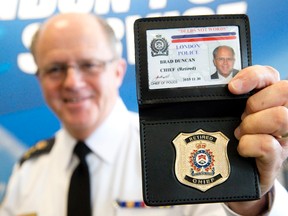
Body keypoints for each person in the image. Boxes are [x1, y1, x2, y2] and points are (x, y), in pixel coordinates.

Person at [0, 12, 288, 216]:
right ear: (39, 79)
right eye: (55, 69)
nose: (72, 82)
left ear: (118, 71)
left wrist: (250, 203)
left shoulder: (175, 146)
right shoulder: (28, 172)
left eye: (89, 65)